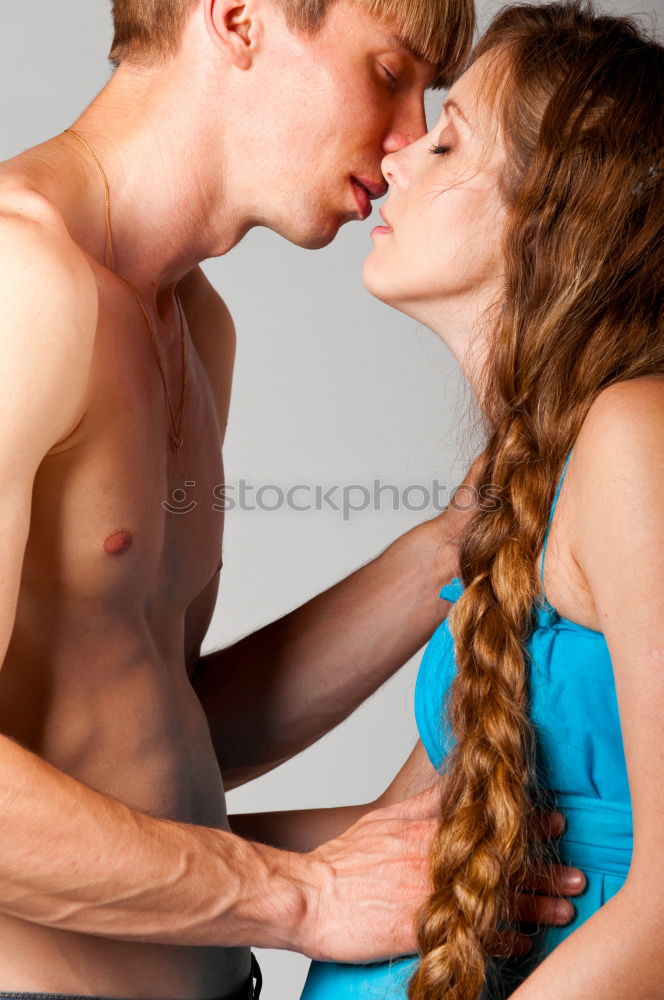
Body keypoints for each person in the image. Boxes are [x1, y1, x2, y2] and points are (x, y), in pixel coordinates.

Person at [0, 0, 590, 997]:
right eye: (391, 71)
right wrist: (305, 893)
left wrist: (450, 545)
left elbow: (156, 729)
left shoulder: (193, 325)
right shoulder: (21, 281)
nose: (407, 141)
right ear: (239, 20)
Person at [231, 1, 663, 997]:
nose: (395, 160)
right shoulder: (521, 489)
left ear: (558, 203)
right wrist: (116, 872)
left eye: (446, 138)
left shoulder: (633, 436)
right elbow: (412, 839)